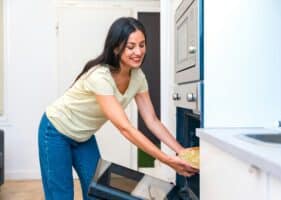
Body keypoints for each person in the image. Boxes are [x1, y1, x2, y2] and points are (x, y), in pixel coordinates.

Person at [38, 17, 198, 200]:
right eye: (131, 47)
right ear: (116, 48)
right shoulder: (100, 77)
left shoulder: (138, 77)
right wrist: (167, 160)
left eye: (142, 44)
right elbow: (126, 128)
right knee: (61, 195)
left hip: (83, 136)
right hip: (56, 130)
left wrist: (182, 152)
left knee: (96, 192)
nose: (138, 52)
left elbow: (152, 120)